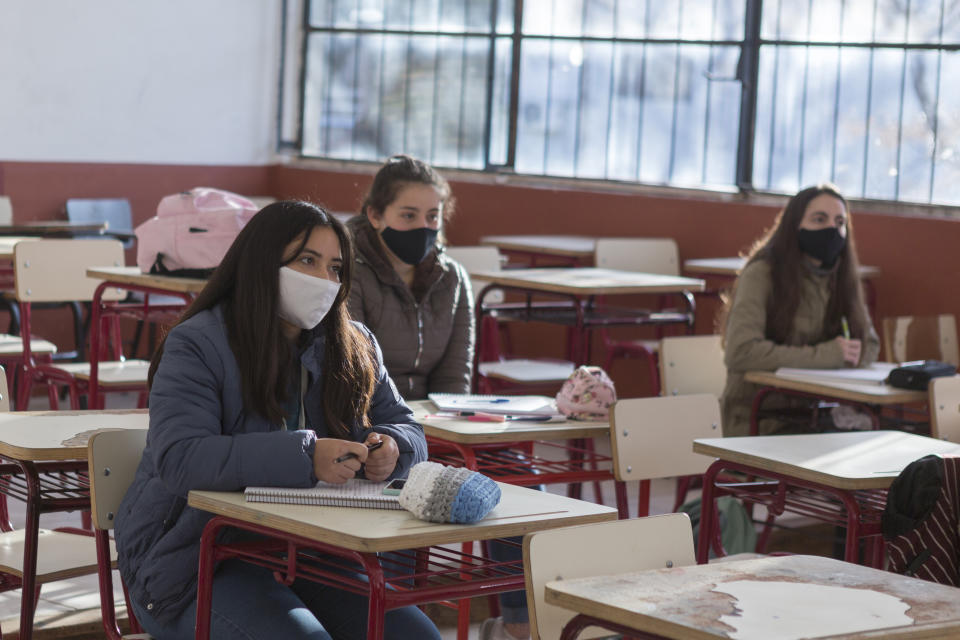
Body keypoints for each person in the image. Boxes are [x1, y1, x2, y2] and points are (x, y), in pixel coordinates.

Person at [113, 201, 441, 640]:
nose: (324, 280)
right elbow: (181, 458)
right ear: (262, 262)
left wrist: (395, 448)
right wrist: (306, 457)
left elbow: (408, 427)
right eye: (307, 260)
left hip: (313, 554)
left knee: (415, 637)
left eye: (336, 268)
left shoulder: (354, 343)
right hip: (195, 563)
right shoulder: (198, 343)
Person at [720, 184, 880, 437]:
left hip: (816, 414)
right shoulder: (762, 273)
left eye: (840, 222)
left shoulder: (841, 277)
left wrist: (850, 352)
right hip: (759, 418)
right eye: (819, 219)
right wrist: (828, 355)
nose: (832, 229)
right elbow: (741, 351)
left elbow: (869, 344)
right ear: (794, 225)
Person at [346, 154, 474, 400]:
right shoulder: (349, 270)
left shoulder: (453, 278)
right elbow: (357, 374)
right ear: (375, 216)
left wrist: (444, 426)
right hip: (371, 419)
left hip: (432, 420)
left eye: (432, 216)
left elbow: (454, 377)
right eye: (408, 215)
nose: (422, 226)